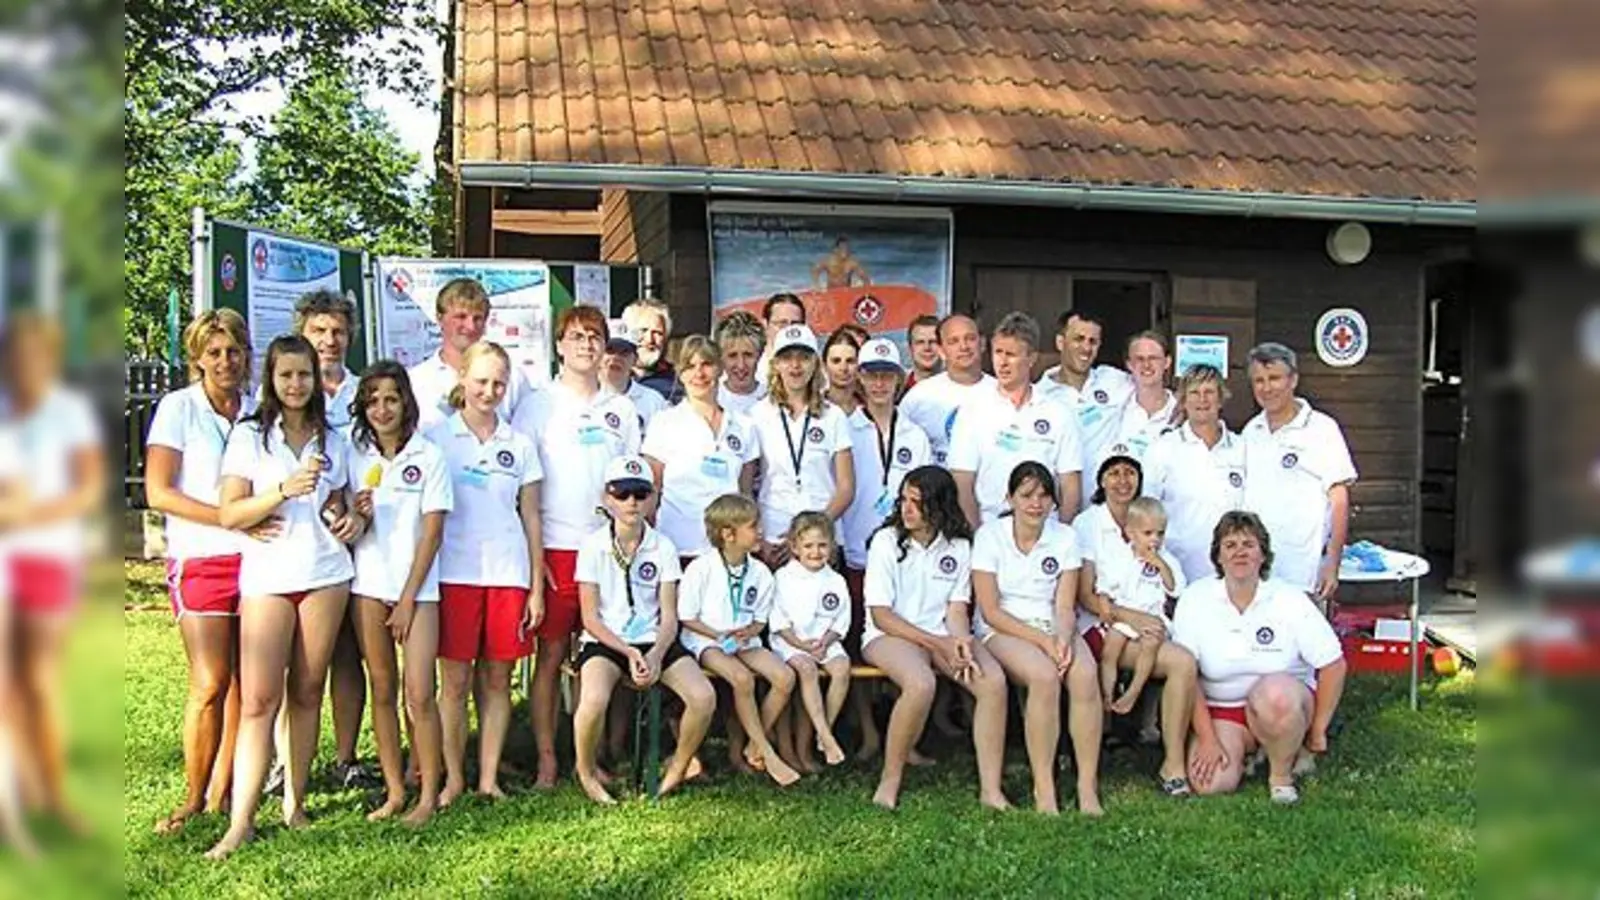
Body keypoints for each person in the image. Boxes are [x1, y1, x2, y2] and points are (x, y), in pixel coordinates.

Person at [207, 334, 363, 859]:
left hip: (325, 574)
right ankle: (241, 821)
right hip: (269, 579)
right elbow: (230, 513)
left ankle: (294, 804)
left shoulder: (335, 438)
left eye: (304, 374)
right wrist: (281, 491)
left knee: (307, 690)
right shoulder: (251, 436)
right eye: (285, 375)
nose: (296, 384)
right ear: (270, 380)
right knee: (258, 700)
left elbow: (345, 504)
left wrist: (351, 518)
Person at [514, 307, 641, 788]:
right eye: (576, 336)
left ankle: (600, 750)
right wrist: (535, 558)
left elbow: (633, 485)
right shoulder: (537, 406)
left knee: (604, 654)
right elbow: (520, 489)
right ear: (559, 345)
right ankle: (548, 757)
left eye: (595, 337)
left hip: (606, 550)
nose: (586, 345)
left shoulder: (621, 410)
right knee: (550, 658)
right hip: (555, 549)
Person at [144, 309, 257, 833]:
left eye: (233, 350)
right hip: (201, 557)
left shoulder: (257, 410)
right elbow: (159, 491)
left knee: (244, 682)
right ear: (197, 358)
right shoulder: (178, 409)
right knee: (210, 681)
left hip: (256, 559)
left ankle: (222, 791)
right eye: (214, 352)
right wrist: (227, 518)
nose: (225, 361)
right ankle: (192, 796)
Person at [0, 312, 105, 842]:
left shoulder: (68, 413)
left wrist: (29, 517)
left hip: (49, 558)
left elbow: (87, 489)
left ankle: (52, 796)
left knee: (42, 683)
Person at [425, 341, 544, 805]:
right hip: (453, 574)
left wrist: (535, 585)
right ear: (462, 380)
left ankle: (488, 778)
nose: (489, 391)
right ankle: (454, 777)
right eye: (481, 381)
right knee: (453, 683)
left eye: (498, 383)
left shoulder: (519, 443)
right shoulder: (437, 439)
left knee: (498, 681)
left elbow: (531, 515)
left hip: (507, 574)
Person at [861, 466, 1008, 811]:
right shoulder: (885, 541)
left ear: (939, 505)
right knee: (921, 683)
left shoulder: (958, 545)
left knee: (993, 682)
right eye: (903, 500)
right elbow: (881, 615)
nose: (907, 509)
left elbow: (957, 610)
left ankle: (991, 790)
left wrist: (959, 643)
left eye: (917, 502)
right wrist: (938, 643)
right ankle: (890, 779)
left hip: (940, 634)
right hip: (888, 635)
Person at [1174, 511, 1347, 804]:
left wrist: (1318, 730)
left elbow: (1333, 664)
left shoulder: (1289, 599)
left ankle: (1280, 776)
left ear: (1263, 555)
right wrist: (1207, 739)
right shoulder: (1195, 599)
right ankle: (1253, 752)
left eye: (1248, 544)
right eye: (1230, 545)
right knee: (1211, 784)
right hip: (1223, 709)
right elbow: (1186, 675)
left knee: (1276, 695)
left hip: (1282, 705)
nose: (1239, 552)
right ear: (1217, 557)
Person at [344, 361, 452, 826]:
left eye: (390, 399)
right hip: (367, 584)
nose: (381, 409)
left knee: (419, 694)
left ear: (405, 401)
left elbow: (432, 534)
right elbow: (343, 519)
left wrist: (408, 598)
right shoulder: (355, 454)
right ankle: (393, 791)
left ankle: (428, 792)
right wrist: (355, 511)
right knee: (382, 690)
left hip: (418, 591)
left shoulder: (429, 456)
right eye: (371, 401)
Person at [571, 455, 714, 804]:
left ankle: (679, 767)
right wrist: (629, 652)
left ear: (652, 498)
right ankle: (586, 772)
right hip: (608, 641)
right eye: (622, 493)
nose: (631, 502)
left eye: (640, 493)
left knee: (703, 696)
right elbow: (590, 618)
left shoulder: (662, 546)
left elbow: (668, 616)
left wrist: (654, 653)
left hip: (654, 640)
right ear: (607, 498)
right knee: (593, 698)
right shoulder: (592, 546)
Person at [970, 461, 1101, 815]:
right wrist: (1043, 643)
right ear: (1010, 497)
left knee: (1085, 675)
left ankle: (1087, 787)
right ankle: (1045, 789)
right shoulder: (989, 536)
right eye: (1027, 495)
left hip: (1052, 623)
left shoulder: (1066, 537)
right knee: (1044, 677)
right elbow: (991, 609)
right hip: (1002, 628)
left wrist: (1060, 637)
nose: (1036, 503)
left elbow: (1063, 604)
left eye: (1044, 495)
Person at [1074, 457, 1199, 794]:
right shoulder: (1087, 524)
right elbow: (1087, 595)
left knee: (1184, 661)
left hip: (1146, 621)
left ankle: (1172, 762)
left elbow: (1167, 583)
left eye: (1130, 473)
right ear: (1100, 481)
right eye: (1113, 473)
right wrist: (1131, 617)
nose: (1122, 481)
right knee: (1175, 659)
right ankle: (1108, 711)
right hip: (1101, 622)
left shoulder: (1150, 521)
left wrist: (1149, 618)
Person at [293, 288, 369, 787]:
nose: (329, 340)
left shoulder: (366, 391)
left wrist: (360, 514)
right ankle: (287, 760)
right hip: (295, 546)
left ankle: (346, 758)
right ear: (302, 333)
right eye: (319, 331)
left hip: (360, 542)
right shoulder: (288, 391)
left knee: (348, 654)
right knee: (296, 660)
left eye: (338, 331)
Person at [676, 494, 801, 786]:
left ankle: (753, 744)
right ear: (727, 534)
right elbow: (687, 616)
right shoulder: (701, 568)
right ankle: (768, 753)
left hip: (743, 640)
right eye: (753, 526)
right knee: (742, 679)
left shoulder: (759, 571)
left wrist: (751, 631)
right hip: (706, 640)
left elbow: (760, 618)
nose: (760, 532)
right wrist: (718, 634)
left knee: (784, 677)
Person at [1241, 342, 1357, 600]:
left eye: (1274, 378)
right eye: (1259, 380)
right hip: (1256, 572)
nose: (1266, 387)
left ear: (1293, 380)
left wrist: (1332, 561)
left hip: (1302, 572)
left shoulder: (1322, 429)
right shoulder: (1251, 431)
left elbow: (1339, 499)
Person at [949, 312, 1082, 526]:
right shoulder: (973, 410)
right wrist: (976, 535)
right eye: (997, 352)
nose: (1002, 362)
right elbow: (962, 482)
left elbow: (1070, 485)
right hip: (991, 528)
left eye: (1010, 354)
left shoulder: (1057, 413)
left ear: (1031, 358)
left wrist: (1060, 533)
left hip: (1046, 529)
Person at [643, 336, 761, 564]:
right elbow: (652, 489)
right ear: (680, 372)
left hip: (728, 548)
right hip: (678, 545)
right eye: (690, 366)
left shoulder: (744, 425)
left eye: (706, 364)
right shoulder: (664, 422)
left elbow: (745, 494)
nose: (699, 373)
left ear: (719, 368)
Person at [750, 324, 854, 566]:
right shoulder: (756, 415)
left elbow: (846, 487)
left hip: (822, 542)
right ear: (775, 364)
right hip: (774, 538)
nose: (795, 366)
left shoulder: (833, 416)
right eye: (787, 358)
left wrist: (814, 529)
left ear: (815, 363)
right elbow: (745, 486)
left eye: (803, 358)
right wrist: (758, 538)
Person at [1142, 364, 1246, 583]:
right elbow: (1147, 515)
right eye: (1194, 393)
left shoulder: (1243, 448)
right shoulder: (1162, 448)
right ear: (1183, 401)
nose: (1202, 400)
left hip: (1232, 576)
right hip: (1179, 575)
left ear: (1220, 399)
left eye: (1209, 392)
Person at [770, 512, 853, 771]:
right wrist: (801, 644)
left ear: (831, 546)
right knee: (807, 670)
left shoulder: (835, 580)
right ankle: (826, 736)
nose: (815, 552)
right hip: (790, 642)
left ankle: (822, 730)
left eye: (822, 545)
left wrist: (826, 641)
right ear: (794, 547)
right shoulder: (783, 577)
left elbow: (841, 619)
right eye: (808, 546)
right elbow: (778, 619)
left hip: (824, 641)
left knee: (842, 668)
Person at [1095, 497, 1185, 718]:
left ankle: (1133, 692)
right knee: (1110, 650)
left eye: (1160, 533)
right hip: (1124, 616)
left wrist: (1161, 566)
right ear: (1130, 533)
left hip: (1154, 616)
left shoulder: (1167, 560)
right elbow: (1105, 586)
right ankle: (1107, 694)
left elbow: (1176, 589)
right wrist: (1106, 604)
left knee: (1151, 644)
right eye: (1148, 533)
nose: (1154, 540)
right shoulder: (1120, 557)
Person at [1035, 311, 1134, 511]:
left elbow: (1152, 386)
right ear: (1060, 342)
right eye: (1079, 339)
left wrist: (1182, 400)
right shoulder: (1039, 395)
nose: (1086, 348)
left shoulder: (1114, 381)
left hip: (1105, 513)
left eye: (1093, 341)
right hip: (1057, 513)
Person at [408, 278, 535, 429]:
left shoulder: (513, 378)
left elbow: (526, 437)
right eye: (461, 317)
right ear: (439, 318)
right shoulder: (416, 381)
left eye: (478, 318)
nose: (470, 326)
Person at [898, 314, 994, 466]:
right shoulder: (918, 396)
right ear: (941, 350)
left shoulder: (1001, 393)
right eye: (953, 341)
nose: (963, 347)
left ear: (982, 344)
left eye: (970, 338)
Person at [1094, 331, 1177, 472]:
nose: (1147, 365)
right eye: (1139, 359)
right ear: (1129, 364)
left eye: (1153, 358)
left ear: (1167, 362)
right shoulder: (1115, 410)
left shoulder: (1182, 413)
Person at [600, 319, 668, 431]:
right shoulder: (582, 397)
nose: (616, 358)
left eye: (624, 352)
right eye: (609, 350)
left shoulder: (654, 402)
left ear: (635, 359)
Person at [623, 298, 678, 402]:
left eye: (657, 333)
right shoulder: (610, 375)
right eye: (642, 331)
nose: (650, 340)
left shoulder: (676, 383)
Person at [713, 311, 767, 417]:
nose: (741, 365)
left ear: (760, 355)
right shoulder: (712, 399)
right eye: (732, 355)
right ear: (720, 357)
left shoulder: (773, 399)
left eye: (748, 355)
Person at [753, 292, 807, 388]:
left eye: (795, 324)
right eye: (782, 324)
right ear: (765, 325)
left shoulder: (815, 370)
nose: (788, 330)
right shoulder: (751, 369)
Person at [821, 326, 865, 416]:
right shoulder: (812, 408)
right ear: (824, 366)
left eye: (850, 361)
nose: (843, 368)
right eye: (836, 361)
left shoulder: (870, 408)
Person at [903, 314, 942, 390]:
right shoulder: (895, 394)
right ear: (910, 348)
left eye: (933, 341)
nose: (927, 348)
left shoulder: (959, 391)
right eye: (920, 342)